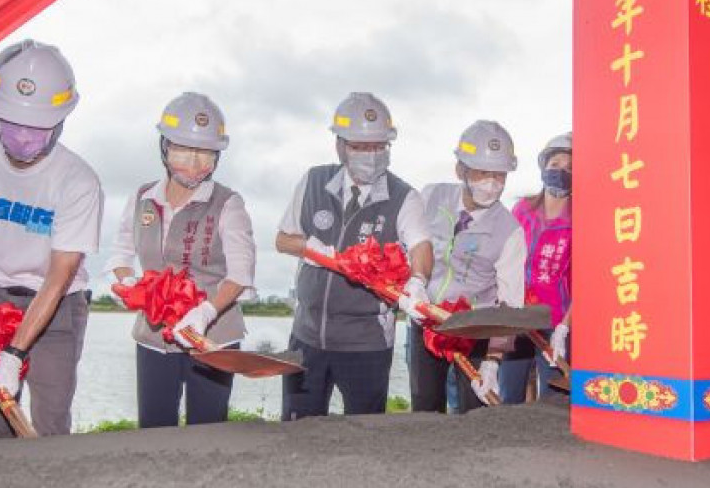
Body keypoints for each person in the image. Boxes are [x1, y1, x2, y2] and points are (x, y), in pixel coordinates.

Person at [0, 40, 103, 438]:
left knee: (50, 421)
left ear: (60, 120)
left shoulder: (78, 181)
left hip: (56, 303)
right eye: (8, 123)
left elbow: (60, 275)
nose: (21, 137)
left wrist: (14, 353)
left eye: (36, 128)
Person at [275, 93, 432, 418]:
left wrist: (418, 280)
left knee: (366, 435)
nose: (371, 155)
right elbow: (281, 239)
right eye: (360, 146)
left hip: (367, 343)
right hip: (307, 336)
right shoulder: (313, 181)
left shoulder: (404, 197)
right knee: (296, 429)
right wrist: (311, 249)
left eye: (379, 146)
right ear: (340, 146)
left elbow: (420, 245)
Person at [106, 93, 256, 427]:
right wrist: (128, 280)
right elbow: (121, 250)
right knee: (154, 425)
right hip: (156, 333)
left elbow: (241, 273)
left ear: (217, 156)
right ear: (164, 147)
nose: (193, 161)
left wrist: (205, 313)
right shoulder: (143, 197)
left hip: (213, 335)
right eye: (183, 150)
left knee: (208, 426)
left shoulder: (228, 203)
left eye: (204, 153)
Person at [408, 120, 526, 413]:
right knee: (424, 409)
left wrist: (493, 359)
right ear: (460, 169)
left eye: (500, 175)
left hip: (476, 332)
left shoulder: (510, 231)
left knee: (474, 413)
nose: (492, 183)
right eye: (483, 173)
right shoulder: (430, 197)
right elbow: (407, 247)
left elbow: (510, 304)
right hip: (426, 322)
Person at [500, 132, 573, 401]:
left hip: (555, 322)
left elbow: (584, 282)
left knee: (553, 401)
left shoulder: (580, 220)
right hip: (517, 317)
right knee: (509, 393)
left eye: (570, 168)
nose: (561, 172)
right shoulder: (522, 210)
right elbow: (504, 261)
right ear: (544, 167)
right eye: (555, 165)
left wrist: (564, 328)